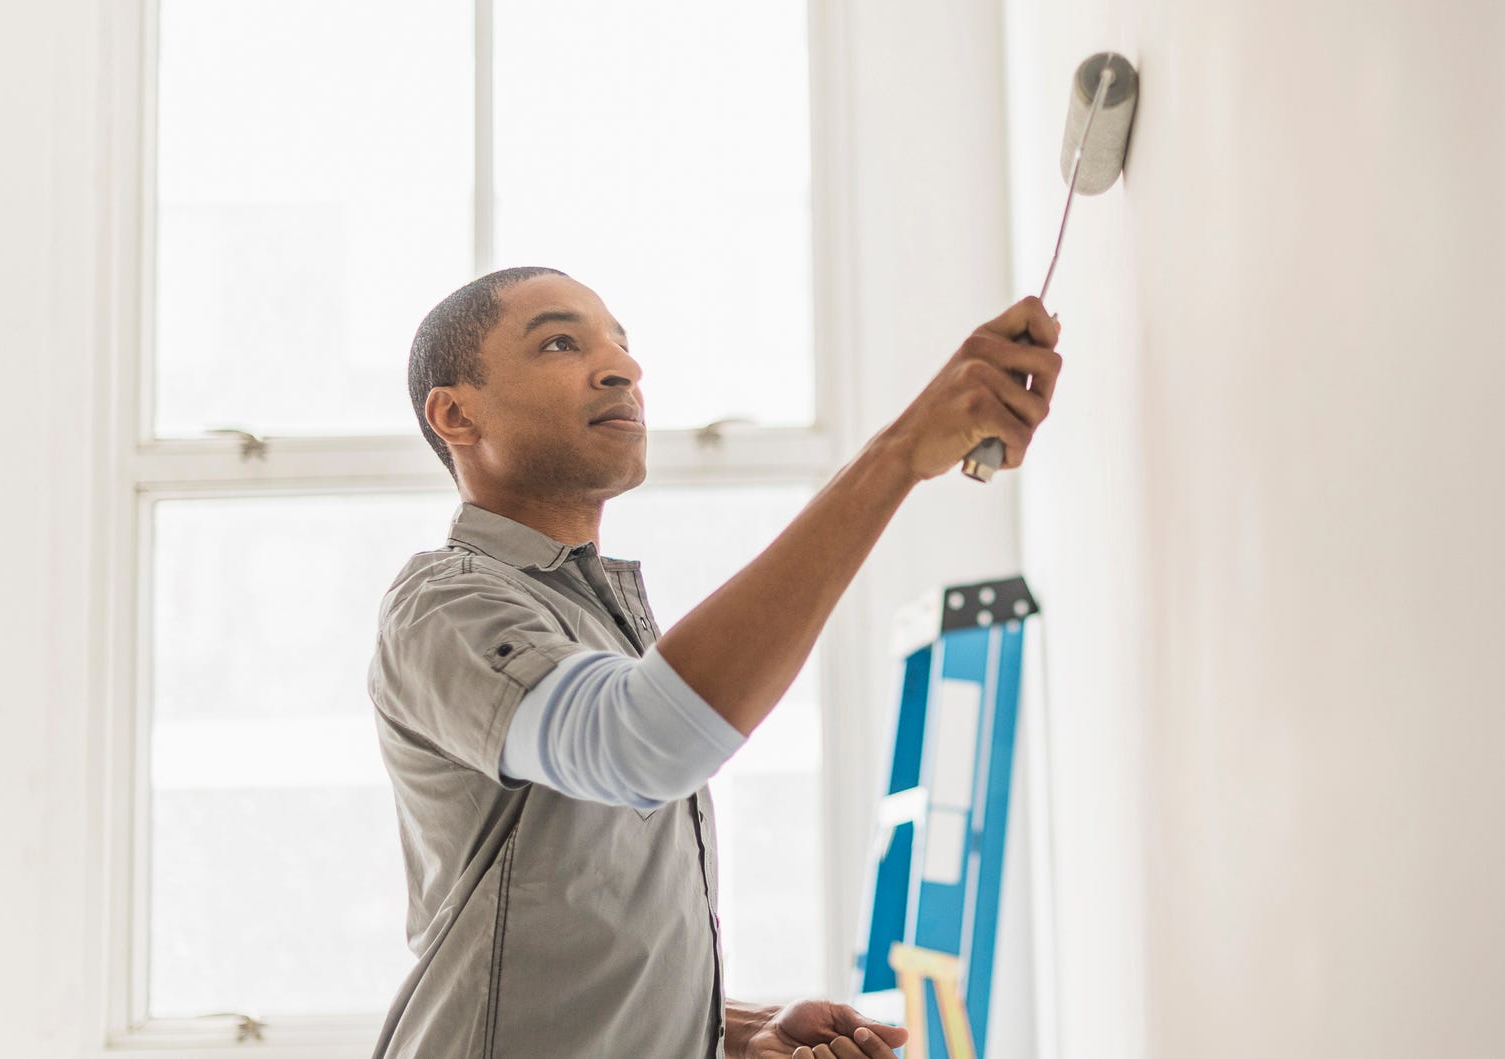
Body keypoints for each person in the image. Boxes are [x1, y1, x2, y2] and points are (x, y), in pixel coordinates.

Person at [367, 265, 1062, 1058]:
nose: (622, 367)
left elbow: (570, 928)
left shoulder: (595, 619)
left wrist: (731, 1027)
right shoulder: (446, 605)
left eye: (621, 345)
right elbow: (640, 741)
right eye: (561, 342)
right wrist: (899, 453)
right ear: (456, 413)